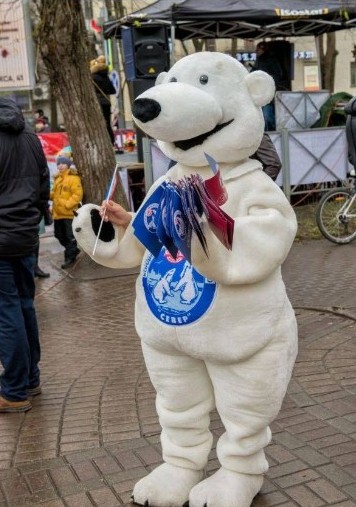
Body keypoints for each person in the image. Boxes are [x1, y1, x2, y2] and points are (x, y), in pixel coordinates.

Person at [0, 97, 50, 412]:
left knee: (7, 312)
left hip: (3, 238)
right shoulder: (30, 135)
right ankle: (30, 378)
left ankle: (15, 390)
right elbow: (44, 185)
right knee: (24, 305)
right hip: (26, 235)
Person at [51, 157, 83, 269]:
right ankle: (73, 249)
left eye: (63, 163)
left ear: (68, 165)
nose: (60, 166)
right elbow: (54, 194)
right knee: (58, 235)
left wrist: (67, 205)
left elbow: (77, 195)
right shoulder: (57, 179)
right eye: (58, 164)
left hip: (68, 213)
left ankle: (69, 258)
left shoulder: (73, 178)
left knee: (69, 236)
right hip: (57, 214)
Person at [250, 42, 283, 131]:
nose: (256, 51)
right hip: (258, 93)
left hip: (267, 93)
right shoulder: (258, 61)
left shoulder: (271, 60)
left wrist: (269, 84)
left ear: (263, 49)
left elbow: (278, 74)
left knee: (267, 116)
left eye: (258, 49)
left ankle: (272, 132)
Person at [90, 55, 116, 147]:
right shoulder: (106, 77)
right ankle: (111, 143)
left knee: (97, 124)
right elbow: (113, 90)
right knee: (108, 124)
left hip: (97, 103)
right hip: (106, 102)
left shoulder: (92, 77)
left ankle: (100, 144)